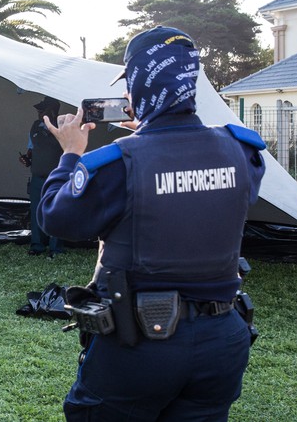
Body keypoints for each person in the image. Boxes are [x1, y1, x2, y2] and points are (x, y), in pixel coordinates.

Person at [38, 26, 266, 421]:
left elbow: (56, 217)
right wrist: (152, 137)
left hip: (140, 346)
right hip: (223, 340)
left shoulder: (118, 164)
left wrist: (72, 154)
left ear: (140, 85)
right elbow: (202, 193)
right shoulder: (242, 151)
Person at [19, 95, 64, 258]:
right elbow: (31, 150)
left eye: (42, 109)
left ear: (52, 111)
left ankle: (56, 248)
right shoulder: (35, 127)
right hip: (37, 176)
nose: (38, 112)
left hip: (56, 178)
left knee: (56, 211)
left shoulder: (62, 127)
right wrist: (26, 159)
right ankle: (37, 245)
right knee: (36, 211)